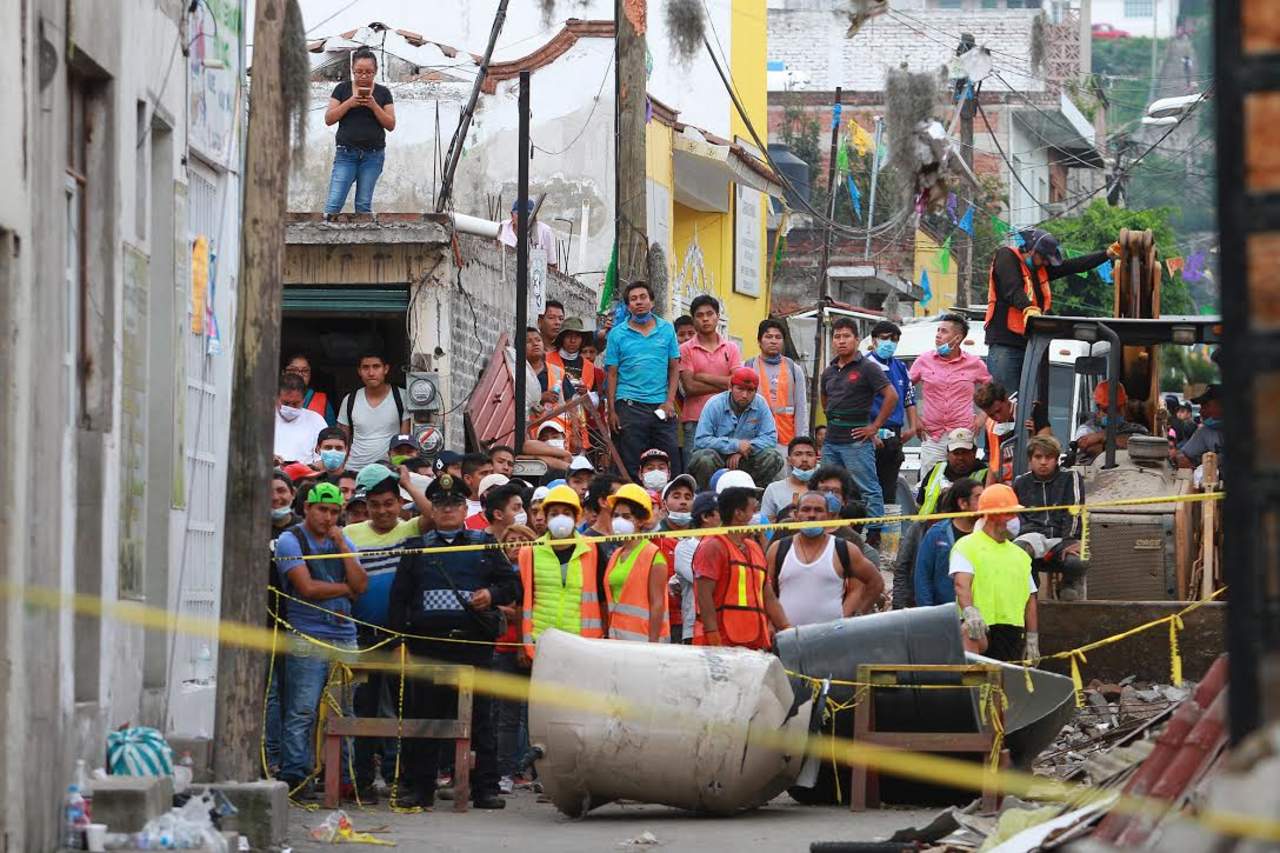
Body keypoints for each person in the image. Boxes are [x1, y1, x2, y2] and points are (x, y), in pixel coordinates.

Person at [387, 474, 514, 810]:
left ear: (463, 508)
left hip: (473, 646)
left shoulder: (482, 543)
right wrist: (400, 643)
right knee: (425, 719)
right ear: (433, 509)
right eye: (440, 504)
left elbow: (513, 587)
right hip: (427, 647)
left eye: (454, 504)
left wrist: (492, 594)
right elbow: (399, 601)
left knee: (482, 720)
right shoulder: (415, 548)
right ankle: (420, 788)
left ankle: (485, 788)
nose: (447, 510)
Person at [272, 483, 368, 793]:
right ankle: (296, 775)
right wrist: (346, 589)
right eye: (321, 510)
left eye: (334, 511)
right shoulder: (291, 540)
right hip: (307, 635)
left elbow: (361, 584)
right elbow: (307, 589)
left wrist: (341, 545)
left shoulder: (344, 540)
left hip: (344, 635)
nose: (327, 517)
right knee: (302, 709)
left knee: (345, 711)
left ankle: (343, 777)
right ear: (306, 509)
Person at [343, 464, 430, 799]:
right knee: (363, 710)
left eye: (389, 503)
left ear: (399, 504)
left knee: (402, 709)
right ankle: (362, 781)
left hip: (400, 637)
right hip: (362, 635)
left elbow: (433, 516)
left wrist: (409, 484)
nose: (382, 510)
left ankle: (400, 779)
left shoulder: (410, 529)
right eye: (375, 505)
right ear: (367, 507)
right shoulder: (352, 534)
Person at [984, 228, 1119, 392]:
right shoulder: (1006, 256)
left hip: (1031, 343)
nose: (1047, 263)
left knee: (1030, 405)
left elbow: (1074, 266)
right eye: (1044, 258)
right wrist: (1028, 309)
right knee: (1006, 399)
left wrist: (1106, 254)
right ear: (1032, 250)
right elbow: (1013, 289)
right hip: (1005, 344)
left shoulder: (1040, 269)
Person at [820, 317, 898, 548]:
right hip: (832, 440)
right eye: (837, 336)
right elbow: (825, 400)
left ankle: (874, 536)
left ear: (856, 339)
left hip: (857, 440)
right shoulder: (829, 371)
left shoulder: (868, 368)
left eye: (846, 336)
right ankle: (829, 529)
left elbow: (892, 396)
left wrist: (874, 427)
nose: (841, 341)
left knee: (868, 488)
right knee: (826, 486)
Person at [692, 485, 791, 648]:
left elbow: (768, 597)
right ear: (738, 513)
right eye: (754, 510)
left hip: (755, 641)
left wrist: (786, 628)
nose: (757, 515)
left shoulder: (754, 548)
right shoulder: (713, 546)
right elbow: (703, 594)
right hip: (722, 641)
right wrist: (713, 636)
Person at [950, 484, 1039, 662]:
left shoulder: (1020, 555)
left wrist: (1032, 638)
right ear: (992, 516)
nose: (1015, 519)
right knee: (970, 644)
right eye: (1010, 514)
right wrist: (969, 611)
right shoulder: (967, 546)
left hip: (1012, 632)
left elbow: (1030, 600)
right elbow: (962, 584)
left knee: (1003, 684)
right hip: (980, 627)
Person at [766, 491, 883, 626]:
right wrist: (772, 624)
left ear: (828, 516)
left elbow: (875, 582)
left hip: (831, 641)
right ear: (796, 515)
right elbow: (765, 592)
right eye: (806, 509)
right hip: (787, 639)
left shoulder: (844, 549)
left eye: (818, 510)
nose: (812, 515)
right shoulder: (778, 549)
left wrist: (853, 616)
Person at [519, 485, 609, 659]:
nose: (560, 518)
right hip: (541, 643)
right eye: (554, 513)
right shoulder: (529, 552)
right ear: (545, 518)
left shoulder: (593, 549)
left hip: (583, 645)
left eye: (566, 513)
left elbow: (603, 600)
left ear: (577, 517)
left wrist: (605, 639)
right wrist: (522, 646)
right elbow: (522, 602)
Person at [604, 280, 682, 479]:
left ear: (652, 302)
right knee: (630, 461)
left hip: (661, 406)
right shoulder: (617, 334)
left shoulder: (666, 329)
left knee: (670, 454)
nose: (638, 302)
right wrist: (612, 410)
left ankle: (668, 502)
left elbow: (674, 367)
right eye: (633, 299)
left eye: (643, 297)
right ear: (628, 306)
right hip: (629, 405)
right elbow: (612, 373)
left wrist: (669, 402)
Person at [909, 312, 991, 472]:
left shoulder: (974, 363)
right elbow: (904, 388)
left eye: (944, 331)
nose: (938, 336)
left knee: (961, 485)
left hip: (963, 436)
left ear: (958, 338)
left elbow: (993, 392)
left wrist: (982, 418)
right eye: (938, 331)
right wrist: (915, 420)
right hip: (933, 436)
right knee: (931, 486)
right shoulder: (923, 361)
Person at [1012, 435, 1087, 600]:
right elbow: (1017, 516)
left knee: (1077, 561)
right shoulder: (1020, 482)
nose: (1043, 462)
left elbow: (1075, 510)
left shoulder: (1070, 477)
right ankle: (1030, 590)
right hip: (1032, 535)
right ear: (1030, 460)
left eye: (1049, 457)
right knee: (1017, 552)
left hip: (1062, 537)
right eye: (1038, 457)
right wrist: (1025, 533)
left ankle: (1068, 583)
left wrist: (1071, 539)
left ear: (1056, 459)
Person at [323, 47, 396, 216]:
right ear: (352, 71)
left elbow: (390, 124)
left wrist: (374, 105)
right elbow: (329, 119)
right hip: (346, 154)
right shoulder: (342, 89)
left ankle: (362, 241)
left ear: (376, 71)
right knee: (334, 203)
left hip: (373, 155)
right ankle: (325, 237)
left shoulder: (383, 93)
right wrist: (349, 103)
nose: (364, 76)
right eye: (359, 72)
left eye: (369, 72)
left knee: (363, 205)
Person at [689, 367, 784, 490]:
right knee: (704, 458)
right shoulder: (714, 404)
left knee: (774, 456)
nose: (745, 395)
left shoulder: (761, 404)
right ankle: (709, 496)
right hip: (718, 459)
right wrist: (735, 445)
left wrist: (745, 449)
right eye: (740, 389)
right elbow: (701, 440)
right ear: (730, 387)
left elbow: (771, 438)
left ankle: (754, 495)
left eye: (750, 391)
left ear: (756, 391)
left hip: (746, 458)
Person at [493, 523, 536, 794]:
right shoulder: (496, 573)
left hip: (533, 649)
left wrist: (511, 611)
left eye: (522, 539)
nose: (516, 544)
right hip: (504, 649)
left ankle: (536, 772)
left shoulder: (536, 573)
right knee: (507, 716)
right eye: (510, 540)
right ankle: (505, 773)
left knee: (536, 717)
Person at [599, 484, 670, 642]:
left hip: (644, 641)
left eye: (626, 516)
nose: (618, 520)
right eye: (616, 515)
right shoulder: (616, 555)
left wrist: (652, 645)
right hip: (618, 638)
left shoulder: (654, 556)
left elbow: (657, 605)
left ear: (639, 521)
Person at [679, 295, 743, 465]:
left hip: (727, 417)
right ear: (693, 319)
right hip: (695, 419)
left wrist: (703, 377)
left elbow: (737, 384)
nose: (705, 319)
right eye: (700, 315)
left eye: (709, 314)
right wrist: (725, 384)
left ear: (717, 316)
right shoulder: (685, 349)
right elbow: (690, 387)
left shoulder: (731, 348)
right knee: (694, 469)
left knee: (727, 472)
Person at [865, 321, 920, 500]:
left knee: (889, 491)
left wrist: (912, 427)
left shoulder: (900, 367)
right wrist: (871, 431)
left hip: (894, 437)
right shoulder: (864, 366)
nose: (889, 343)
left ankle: (886, 527)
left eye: (894, 339)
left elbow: (909, 398)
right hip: (869, 434)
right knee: (867, 489)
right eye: (885, 338)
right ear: (874, 341)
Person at [914, 479, 984, 607]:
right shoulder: (937, 534)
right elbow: (923, 577)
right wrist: (928, 613)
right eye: (979, 498)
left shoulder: (986, 535)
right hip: (943, 614)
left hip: (978, 614)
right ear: (963, 503)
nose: (984, 503)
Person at [743, 319, 809, 452]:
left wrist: (800, 443)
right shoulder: (747, 367)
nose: (773, 341)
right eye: (768, 337)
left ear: (783, 341)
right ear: (759, 341)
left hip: (785, 441)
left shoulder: (794, 369)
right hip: (754, 440)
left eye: (778, 337)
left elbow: (801, 408)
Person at [338, 352, 409, 470]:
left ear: (385, 369)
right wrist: (340, 470)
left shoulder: (402, 397)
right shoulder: (350, 399)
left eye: (376, 367)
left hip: (388, 470)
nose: (371, 373)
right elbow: (342, 441)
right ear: (359, 371)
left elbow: (404, 441)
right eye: (365, 367)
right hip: (354, 469)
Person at [973, 381, 1052, 485]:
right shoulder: (990, 425)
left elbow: (1048, 448)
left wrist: (1033, 437)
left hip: (1033, 483)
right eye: (991, 415)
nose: (997, 417)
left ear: (1006, 399)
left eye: (999, 410)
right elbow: (993, 463)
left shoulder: (1031, 412)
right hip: (1005, 486)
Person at [670, 491, 719, 644]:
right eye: (721, 512)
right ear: (705, 517)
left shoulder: (726, 547)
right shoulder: (685, 547)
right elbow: (712, 581)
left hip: (725, 625)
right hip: (695, 630)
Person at [653, 474, 697, 643]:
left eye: (688, 497)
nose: (683, 502)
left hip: (692, 622)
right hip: (664, 619)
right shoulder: (653, 540)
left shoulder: (704, 539)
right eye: (676, 496)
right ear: (664, 504)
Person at [915, 428, 990, 516]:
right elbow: (919, 505)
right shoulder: (936, 470)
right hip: (930, 525)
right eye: (956, 453)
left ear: (974, 452)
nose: (960, 457)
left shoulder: (986, 474)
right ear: (948, 454)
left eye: (964, 452)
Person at [1074, 381, 1149, 464]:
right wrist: (1121, 444)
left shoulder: (1138, 429)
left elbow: (1141, 446)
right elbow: (1087, 446)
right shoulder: (1086, 429)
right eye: (1107, 410)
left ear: (1124, 407)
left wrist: (1103, 437)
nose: (1113, 414)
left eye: (1117, 409)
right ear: (1098, 410)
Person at [761, 436, 820, 522]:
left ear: (816, 460)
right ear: (789, 460)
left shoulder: (824, 489)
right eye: (798, 454)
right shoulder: (773, 489)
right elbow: (766, 525)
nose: (804, 459)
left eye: (809, 454)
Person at [275, 373, 329, 465]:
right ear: (276, 398)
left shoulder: (316, 420)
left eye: (296, 404)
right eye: (286, 403)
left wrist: (306, 470)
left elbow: (324, 459)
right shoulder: (263, 419)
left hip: (305, 476)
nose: (291, 407)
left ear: (304, 400)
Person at [1175, 384, 1224, 469]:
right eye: (1201, 407)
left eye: (1206, 406)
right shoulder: (1205, 432)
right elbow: (1182, 455)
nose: (1201, 412)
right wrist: (1196, 472)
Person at [500, 204, 558, 272]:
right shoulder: (503, 227)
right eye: (519, 214)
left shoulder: (545, 231)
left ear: (534, 217)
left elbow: (552, 264)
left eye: (527, 215)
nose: (523, 218)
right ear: (512, 215)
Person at [547, 317, 598, 395]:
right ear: (562, 338)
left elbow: (595, 400)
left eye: (577, 336)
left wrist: (586, 393)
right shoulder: (547, 359)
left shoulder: (589, 366)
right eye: (568, 336)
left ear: (582, 339)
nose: (573, 341)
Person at [285, 354, 336, 426]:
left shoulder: (323, 401)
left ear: (310, 374)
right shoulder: (271, 398)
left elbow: (331, 432)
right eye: (293, 370)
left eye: (305, 370)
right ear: (283, 372)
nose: (299, 374)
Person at [460, 453, 495, 519]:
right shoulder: (458, 510)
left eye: (492, 473)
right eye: (484, 473)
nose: (490, 477)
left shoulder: (502, 505)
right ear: (468, 479)